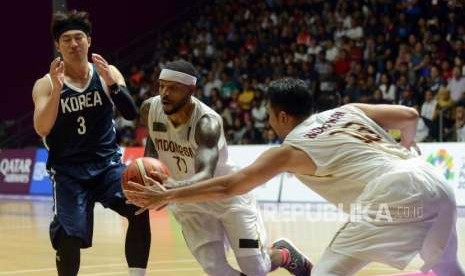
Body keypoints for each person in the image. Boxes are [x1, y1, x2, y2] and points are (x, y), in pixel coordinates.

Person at [127, 78, 464, 276]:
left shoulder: (289, 149)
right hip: (432, 181)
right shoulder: (347, 111)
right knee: (446, 265)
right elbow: (410, 115)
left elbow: (230, 185)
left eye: (270, 114)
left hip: (390, 194)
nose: (269, 120)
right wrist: (408, 145)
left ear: (283, 116)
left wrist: (169, 194)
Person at [136, 60, 311, 276]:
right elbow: (154, 139)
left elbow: (204, 177)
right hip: (188, 203)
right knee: (215, 269)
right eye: (162, 86)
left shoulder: (207, 122)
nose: (164, 93)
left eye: (173, 88)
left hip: (226, 196)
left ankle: (284, 254)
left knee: (257, 270)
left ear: (191, 90)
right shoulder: (150, 109)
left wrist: (168, 191)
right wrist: (148, 174)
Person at [32, 10, 150, 276]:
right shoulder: (45, 85)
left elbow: (131, 114)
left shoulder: (107, 73)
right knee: (68, 235)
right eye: (66, 40)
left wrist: (112, 83)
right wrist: (57, 92)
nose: (73, 44)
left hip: (107, 165)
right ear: (57, 45)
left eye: (78, 38)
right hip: (68, 172)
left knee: (140, 206)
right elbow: (42, 127)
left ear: (89, 41)